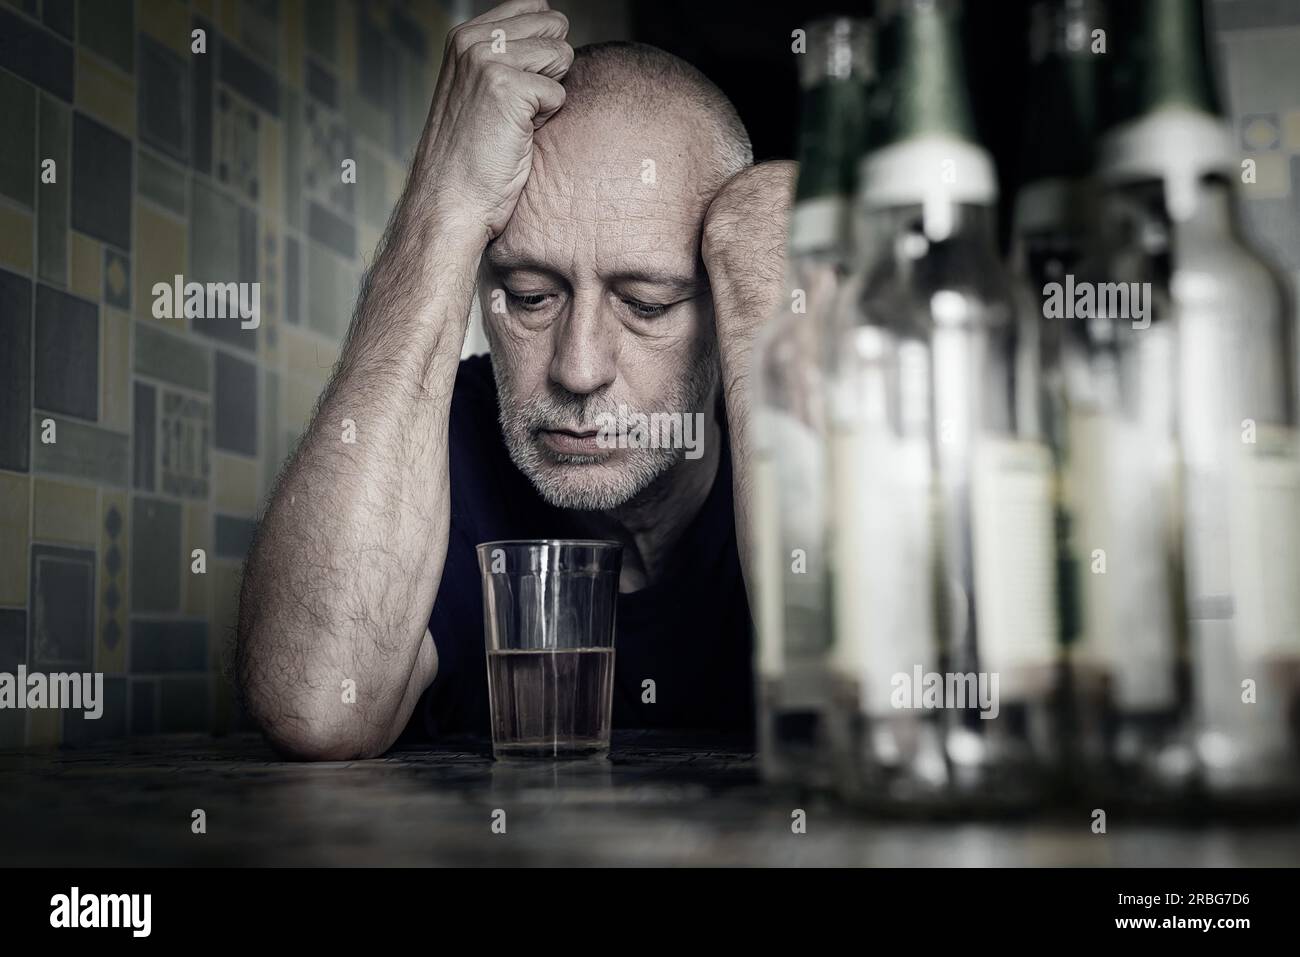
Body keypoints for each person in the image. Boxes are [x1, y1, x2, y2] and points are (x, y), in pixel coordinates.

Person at [235, 0, 793, 759]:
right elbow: (313, 707)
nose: (577, 368)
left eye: (646, 305)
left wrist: (763, 294)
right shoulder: (438, 451)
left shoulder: (788, 428)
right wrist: (444, 201)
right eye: (530, 297)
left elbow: (880, 712)